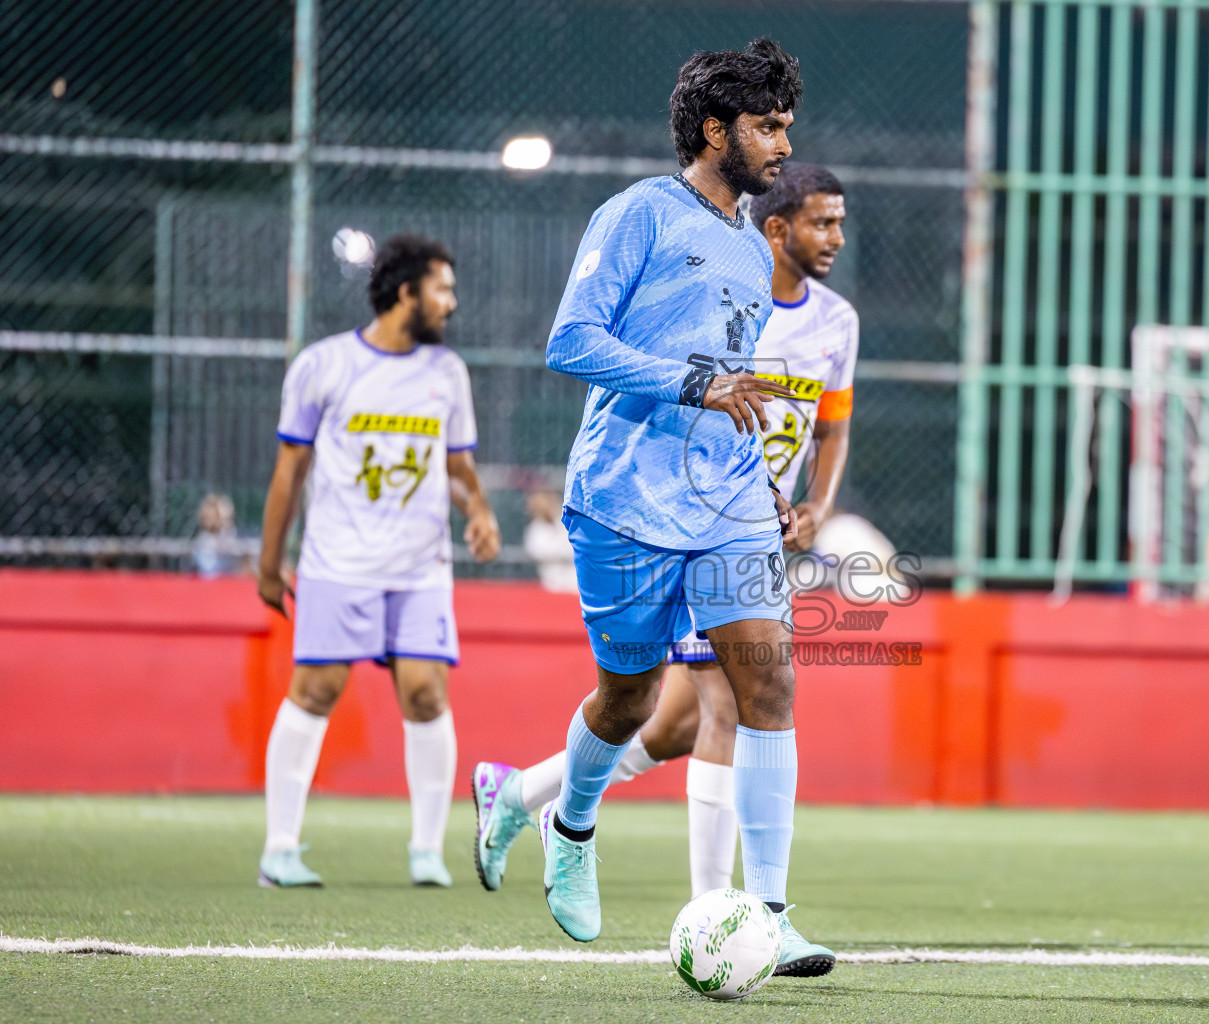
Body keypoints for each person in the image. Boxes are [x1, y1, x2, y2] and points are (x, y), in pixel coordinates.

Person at [470, 39, 834, 975]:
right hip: (626, 500)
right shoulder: (638, 214)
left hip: (729, 508)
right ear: (715, 129)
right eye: (767, 126)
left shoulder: (756, 251)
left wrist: (755, 462)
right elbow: (571, 342)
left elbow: (731, 384)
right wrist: (694, 385)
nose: (782, 144)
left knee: (770, 687)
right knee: (628, 697)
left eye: (786, 126)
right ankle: (572, 825)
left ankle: (771, 910)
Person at [254, 234, 501, 889]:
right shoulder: (323, 365)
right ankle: (279, 850)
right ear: (405, 294)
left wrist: (476, 509)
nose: (452, 302)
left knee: (426, 694)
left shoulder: (446, 373)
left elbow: (457, 467)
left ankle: (426, 852)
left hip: (420, 571)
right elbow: (289, 472)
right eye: (442, 289)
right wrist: (269, 562)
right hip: (338, 565)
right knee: (316, 690)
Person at [523, 488, 578, 593]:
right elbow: (537, 552)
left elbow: (574, 548)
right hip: (550, 583)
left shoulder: (567, 523)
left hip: (574, 582)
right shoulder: (535, 529)